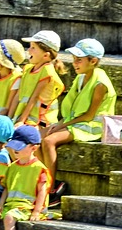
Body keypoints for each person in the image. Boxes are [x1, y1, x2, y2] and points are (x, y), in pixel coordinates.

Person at [40, 38, 116, 189]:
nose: (74, 63)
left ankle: (50, 188)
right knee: (35, 137)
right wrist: (60, 124)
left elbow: (89, 116)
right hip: (75, 122)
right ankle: (39, 181)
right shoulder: (81, 77)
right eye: (74, 59)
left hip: (92, 126)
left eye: (79, 60)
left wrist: (62, 125)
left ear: (93, 61)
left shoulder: (100, 84)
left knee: (49, 141)